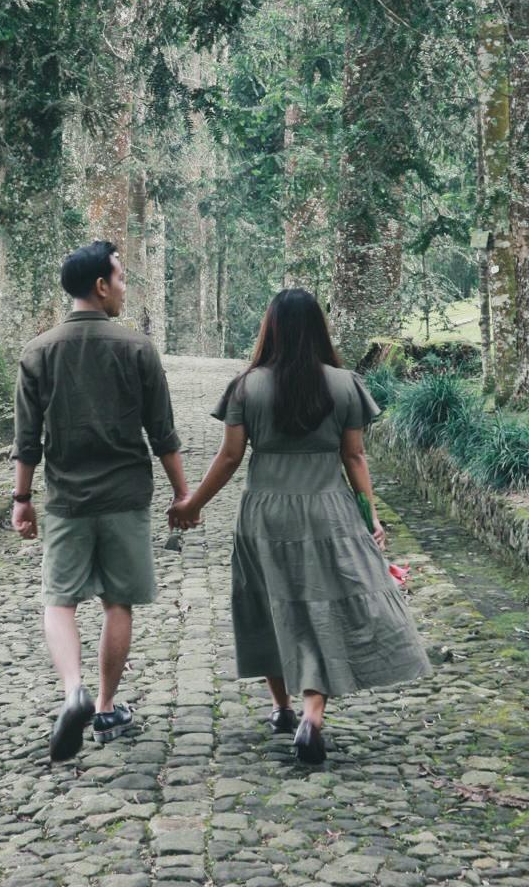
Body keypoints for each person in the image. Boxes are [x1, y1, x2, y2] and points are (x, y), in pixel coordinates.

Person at [169, 287, 431, 764]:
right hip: (329, 510)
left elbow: (229, 458)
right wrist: (370, 516)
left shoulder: (246, 387)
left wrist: (193, 504)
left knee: (270, 601)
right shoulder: (345, 384)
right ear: (318, 329)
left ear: (270, 329)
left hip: (265, 512)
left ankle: (281, 707)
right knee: (323, 604)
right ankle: (313, 713)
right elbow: (354, 456)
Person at [10, 240, 191, 763]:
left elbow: (26, 440)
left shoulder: (38, 352)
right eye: (121, 277)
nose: (124, 287)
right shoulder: (137, 349)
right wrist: (183, 493)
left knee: (59, 600)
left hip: (66, 498)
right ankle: (107, 707)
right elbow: (162, 433)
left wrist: (21, 499)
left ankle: (74, 692)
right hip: (125, 496)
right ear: (100, 286)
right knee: (118, 602)